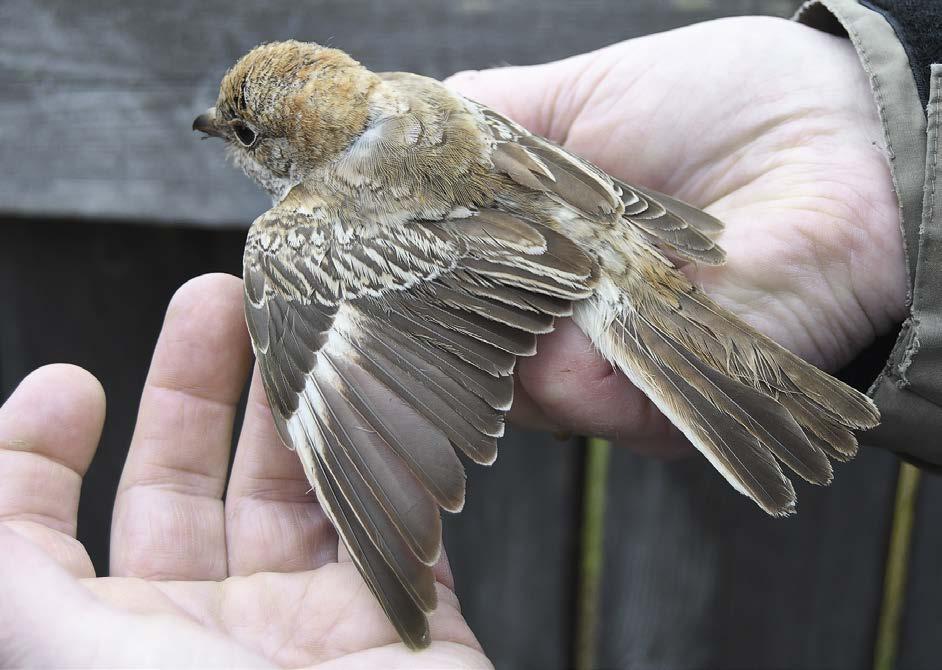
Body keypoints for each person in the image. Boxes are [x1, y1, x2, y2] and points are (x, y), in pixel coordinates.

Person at [1, 1, 937, 665]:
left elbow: (345, 379)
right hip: (594, 225)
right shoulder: (414, 93)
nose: (223, 135)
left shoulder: (303, 234)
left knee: (296, 302)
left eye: (241, 133)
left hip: (567, 264)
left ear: (289, 149)